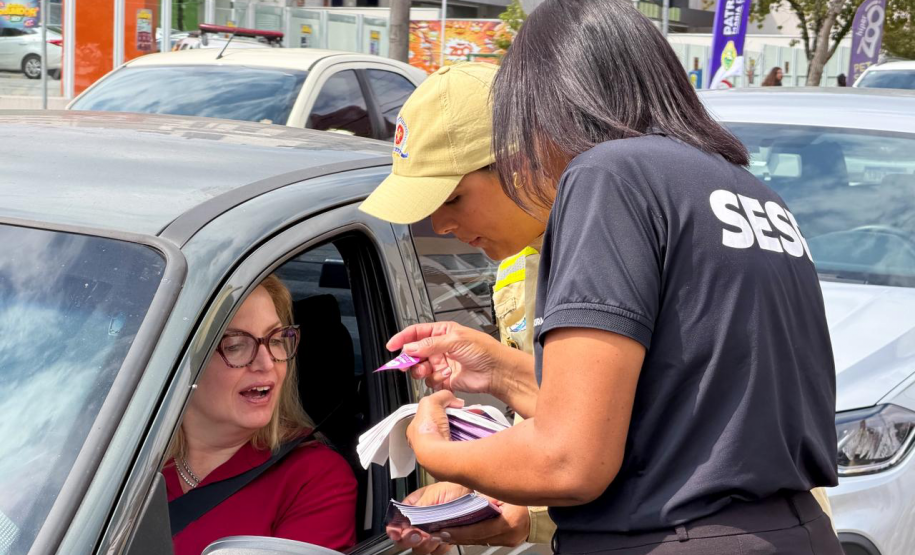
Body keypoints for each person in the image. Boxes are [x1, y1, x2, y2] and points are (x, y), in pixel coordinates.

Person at [362, 0, 842, 553]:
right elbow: (678, 408)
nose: (441, 225)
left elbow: (570, 462)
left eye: (454, 197)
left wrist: (434, 449)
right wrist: (503, 371)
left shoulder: (606, 175)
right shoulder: (746, 190)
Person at [360, 62, 555, 552]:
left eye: (453, 198)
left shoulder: (616, 260)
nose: (440, 225)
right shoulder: (516, 266)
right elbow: (547, 432)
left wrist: (512, 506)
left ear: (520, 162)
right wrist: (481, 490)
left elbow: (617, 436)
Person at [163, 275, 357, 555]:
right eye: (235, 345)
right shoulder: (124, 459)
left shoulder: (314, 477)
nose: (266, 363)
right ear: (183, 362)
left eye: (276, 340)